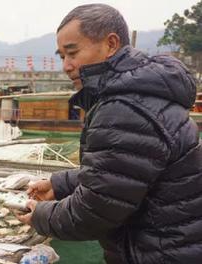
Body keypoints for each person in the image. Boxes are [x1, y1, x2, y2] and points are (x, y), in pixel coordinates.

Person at [15, 4, 202, 264]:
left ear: (111, 44)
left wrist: (40, 215)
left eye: (73, 53)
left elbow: (94, 211)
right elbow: (126, 171)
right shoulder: (138, 95)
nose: (67, 66)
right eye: (62, 57)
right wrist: (60, 184)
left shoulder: (124, 108)